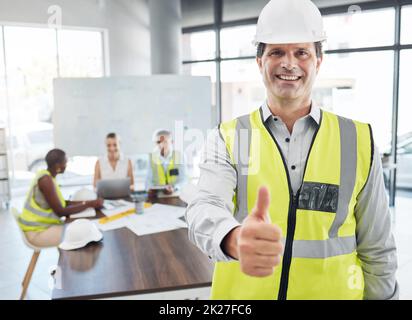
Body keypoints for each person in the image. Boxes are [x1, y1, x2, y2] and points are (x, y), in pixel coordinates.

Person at [186, 0, 398, 300]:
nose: (289, 63)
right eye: (276, 52)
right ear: (260, 62)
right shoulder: (231, 136)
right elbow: (204, 205)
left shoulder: (357, 139)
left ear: (318, 61)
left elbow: (378, 249)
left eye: (301, 52)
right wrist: (232, 238)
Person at [17, 149, 104, 247]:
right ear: (58, 166)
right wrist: (89, 204)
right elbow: (61, 211)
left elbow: (64, 203)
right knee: (80, 236)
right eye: (65, 162)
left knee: (82, 232)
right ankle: (74, 262)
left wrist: (90, 203)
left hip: (41, 227)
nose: (66, 165)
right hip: (36, 232)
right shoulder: (46, 180)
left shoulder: (48, 176)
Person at [146, 129, 186, 195]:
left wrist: (175, 188)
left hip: (176, 195)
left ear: (172, 142)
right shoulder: (152, 157)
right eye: (158, 142)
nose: (161, 145)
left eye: (165, 142)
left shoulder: (179, 155)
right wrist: (149, 189)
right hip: (158, 196)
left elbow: (184, 179)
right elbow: (148, 180)